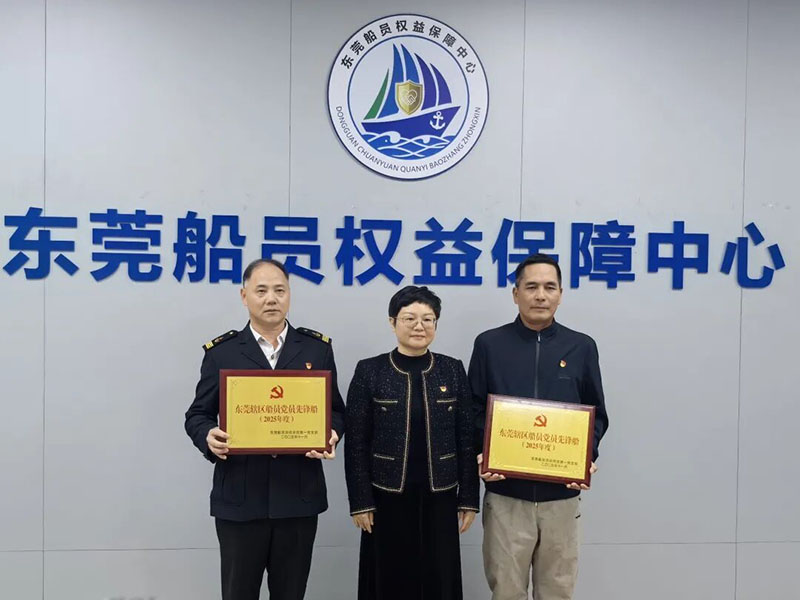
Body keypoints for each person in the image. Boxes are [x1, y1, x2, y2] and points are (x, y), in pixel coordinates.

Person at [184, 258, 345, 600]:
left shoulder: (316, 349)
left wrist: (331, 433)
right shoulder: (223, 352)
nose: (271, 298)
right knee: (238, 593)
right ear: (244, 296)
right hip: (240, 499)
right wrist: (208, 436)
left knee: (291, 593)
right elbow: (197, 414)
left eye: (279, 290)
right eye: (261, 291)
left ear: (289, 295)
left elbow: (335, 411)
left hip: (298, 497)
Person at [469, 253, 609, 600]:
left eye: (549, 287)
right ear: (515, 293)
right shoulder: (489, 344)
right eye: (531, 287)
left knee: (557, 591)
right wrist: (483, 453)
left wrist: (585, 457)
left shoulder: (581, 347)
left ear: (561, 294)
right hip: (506, 495)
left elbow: (596, 414)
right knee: (506, 591)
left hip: (561, 496)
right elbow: (473, 409)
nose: (540, 295)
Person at [344, 285, 479, 600]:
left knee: (438, 578)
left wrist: (468, 498)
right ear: (392, 322)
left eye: (428, 319)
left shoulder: (452, 369)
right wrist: (361, 501)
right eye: (409, 318)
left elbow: (466, 437)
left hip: (441, 493)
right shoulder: (370, 371)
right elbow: (356, 442)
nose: (419, 326)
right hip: (386, 494)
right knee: (390, 578)